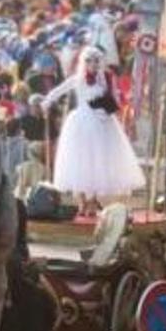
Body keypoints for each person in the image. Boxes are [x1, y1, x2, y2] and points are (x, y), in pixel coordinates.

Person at [40, 47, 145, 216]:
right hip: (82, 123)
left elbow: (114, 99)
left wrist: (113, 106)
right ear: (84, 63)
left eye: (96, 61)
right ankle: (82, 200)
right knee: (80, 160)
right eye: (89, 61)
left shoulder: (106, 79)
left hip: (101, 123)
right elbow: (60, 90)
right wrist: (46, 101)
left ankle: (92, 200)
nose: (93, 65)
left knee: (98, 161)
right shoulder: (78, 79)